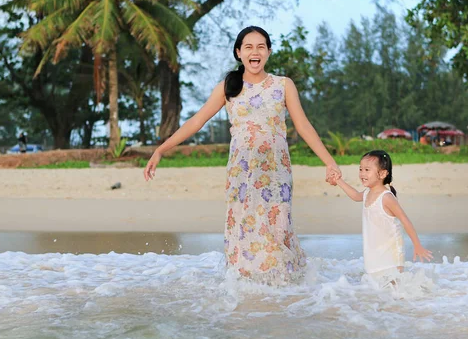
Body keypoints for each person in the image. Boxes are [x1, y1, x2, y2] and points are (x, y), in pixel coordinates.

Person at [144, 26, 342, 285]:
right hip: (242, 175)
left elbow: (304, 126)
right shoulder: (228, 87)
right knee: (244, 230)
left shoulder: (283, 85)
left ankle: (286, 291)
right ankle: (245, 293)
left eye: (261, 47)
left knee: (278, 228)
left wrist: (330, 162)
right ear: (239, 53)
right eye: (248, 47)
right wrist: (161, 149)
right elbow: (196, 122)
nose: (255, 52)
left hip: (275, 172)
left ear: (269, 52)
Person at [329, 150, 432, 283]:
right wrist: (338, 181)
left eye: (367, 170)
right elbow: (355, 195)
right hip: (375, 254)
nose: (362, 174)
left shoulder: (386, 197)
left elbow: (405, 220)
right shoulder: (367, 193)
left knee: (393, 290)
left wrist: (417, 245)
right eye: (360, 169)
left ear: (382, 173)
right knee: (378, 294)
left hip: (392, 256)